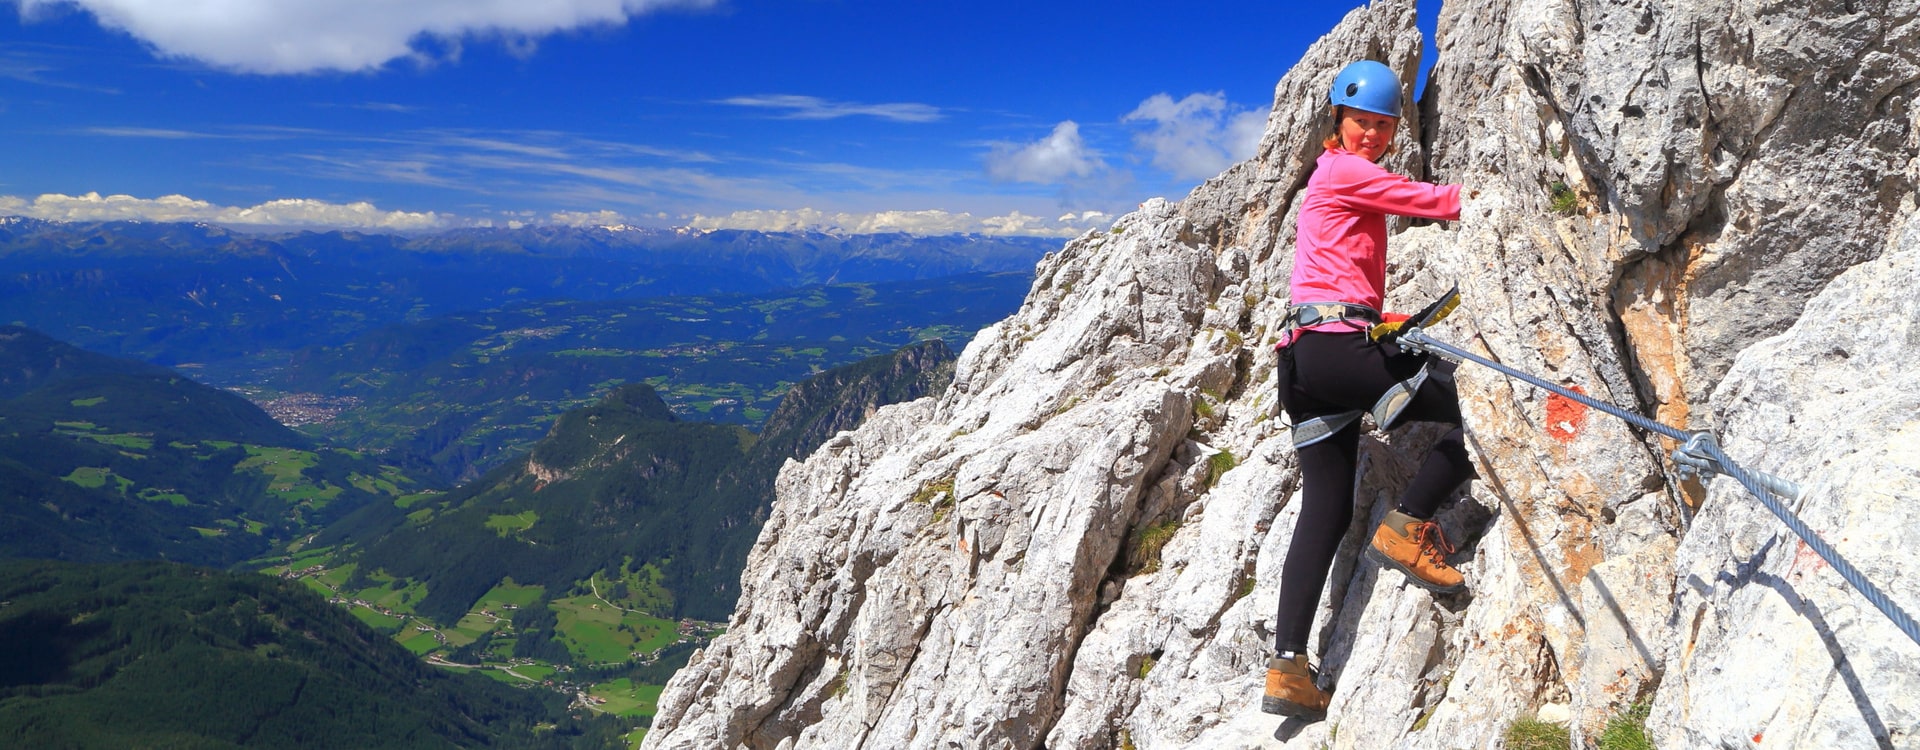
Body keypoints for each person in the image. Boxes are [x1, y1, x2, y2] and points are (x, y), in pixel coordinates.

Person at [1262, 60, 1476, 721]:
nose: (1373, 136)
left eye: (1384, 126)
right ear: (1337, 120)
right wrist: (1505, 196)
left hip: (1305, 362)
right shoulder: (1348, 171)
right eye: (1362, 122)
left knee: (1325, 507)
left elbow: (1332, 276)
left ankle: (1288, 669)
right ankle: (1409, 524)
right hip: (1333, 350)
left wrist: (1372, 321)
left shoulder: (1328, 177)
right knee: (1480, 409)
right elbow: (1437, 203)